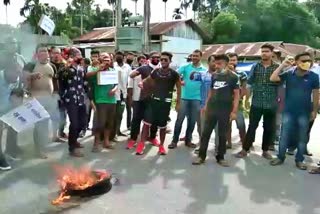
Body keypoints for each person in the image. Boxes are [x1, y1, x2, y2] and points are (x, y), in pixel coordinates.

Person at [269, 52, 319, 170]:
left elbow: (316, 95)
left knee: (302, 137)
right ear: (296, 62)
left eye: (309, 60)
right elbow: (273, 78)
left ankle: (299, 160)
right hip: (289, 111)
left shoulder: (313, 76)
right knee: (284, 135)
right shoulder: (289, 74)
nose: (307, 63)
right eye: (303, 60)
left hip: (305, 112)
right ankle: (280, 157)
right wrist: (282, 65)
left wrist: (314, 111)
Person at [192, 54, 240, 167]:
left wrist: (234, 111)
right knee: (205, 133)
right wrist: (206, 106)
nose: (216, 65)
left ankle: (221, 157)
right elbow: (211, 91)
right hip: (212, 109)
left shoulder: (233, 77)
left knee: (222, 134)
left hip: (225, 109)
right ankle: (201, 156)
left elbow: (237, 95)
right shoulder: (214, 75)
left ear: (226, 64)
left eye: (219, 63)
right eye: (215, 63)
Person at [236, 44, 280, 160]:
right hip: (256, 102)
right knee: (252, 126)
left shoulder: (277, 67)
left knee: (268, 127)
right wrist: (246, 99)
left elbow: (281, 85)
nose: (264, 53)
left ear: (272, 53)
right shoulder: (256, 66)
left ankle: (265, 151)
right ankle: (245, 149)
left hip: (271, 103)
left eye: (266, 51)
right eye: (262, 51)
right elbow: (250, 83)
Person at [135, 51, 181, 155]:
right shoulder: (156, 71)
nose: (163, 61)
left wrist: (178, 103)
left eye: (166, 60)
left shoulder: (174, 74)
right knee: (146, 124)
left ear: (170, 61)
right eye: (162, 59)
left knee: (162, 126)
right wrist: (142, 82)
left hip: (165, 103)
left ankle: (161, 146)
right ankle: (141, 145)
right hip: (153, 101)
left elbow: (179, 89)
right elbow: (148, 79)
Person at [23, 45, 59, 159]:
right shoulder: (31, 65)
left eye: (45, 51)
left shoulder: (52, 65)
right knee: (39, 126)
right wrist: (32, 75)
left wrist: (55, 95)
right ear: (37, 53)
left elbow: (54, 81)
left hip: (49, 99)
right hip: (36, 99)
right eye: (41, 51)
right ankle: (38, 149)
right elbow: (22, 77)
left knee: (45, 125)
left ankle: (42, 147)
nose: (44, 53)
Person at [169, 49, 206, 149]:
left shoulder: (204, 70)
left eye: (196, 56)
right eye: (193, 56)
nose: (194, 57)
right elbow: (174, 75)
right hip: (184, 98)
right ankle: (174, 141)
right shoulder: (185, 67)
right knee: (179, 120)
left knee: (192, 121)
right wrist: (180, 81)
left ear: (200, 57)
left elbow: (205, 85)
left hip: (197, 99)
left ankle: (188, 141)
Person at [127, 51, 161, 150]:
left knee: (154, 120)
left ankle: (152, 137)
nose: (156, 59)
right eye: (154, 57)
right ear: (149, 58)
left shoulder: (162, 69)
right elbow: (132, 75)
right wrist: (137, 74)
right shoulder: (144, 68)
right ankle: (133, 139)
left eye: (158, 57)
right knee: (136, 119)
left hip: (157, 99)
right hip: (142, 98)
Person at [87, 53, 117, 152]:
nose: (106, 61)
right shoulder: (95, 70)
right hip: (100, 100)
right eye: (104, 59)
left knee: (109, 123)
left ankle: (106, 141)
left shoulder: (113, 71)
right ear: (100, 60)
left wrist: (114, 90)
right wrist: (98, 69)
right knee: (100, 123)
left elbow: (116, 84)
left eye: (108, 59)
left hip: (112, 101)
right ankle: (96, 143)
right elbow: (87, 76)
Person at [59, 48, 86, 157]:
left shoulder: (81, 68)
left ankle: (74, 140)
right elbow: (60, 77)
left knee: (83, 123)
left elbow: (84, 82)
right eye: (78, 55)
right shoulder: (65, 67)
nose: (80, 57)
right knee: (74, 123)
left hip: (80, 98)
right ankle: (72, 147)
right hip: (70, 99)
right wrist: (66, 66)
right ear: (72, 56)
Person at [191, 55, 215, 154]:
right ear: (208, 63)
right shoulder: (203, 74)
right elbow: (193, 77)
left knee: (219, 130)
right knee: (202, 127)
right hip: (204, 106)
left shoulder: (223, 75)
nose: (215, 64)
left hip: (219, 107)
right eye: (213, 61)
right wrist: (193, 72)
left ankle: (218, 149)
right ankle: (202, 146)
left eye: (217, 61)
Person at [0, 62, 22, 170]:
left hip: (8, 110)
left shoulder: (16, 79)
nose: (17, 77)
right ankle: (0, 159)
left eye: (19, 74)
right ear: (8, 71)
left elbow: (15, 92)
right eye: (16, 74)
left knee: (14, 128)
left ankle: (10, 150)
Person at [225, 53, 247, 148]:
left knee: (241, 125)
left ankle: (245, 144)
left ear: (237, 61)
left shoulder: (242, 74)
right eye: (230, 60)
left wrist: (238, 100)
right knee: (227, 125)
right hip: (225, 104)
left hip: (238, 104)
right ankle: (228, 143)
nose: (232, 62)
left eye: (234, 60)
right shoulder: (222, 74)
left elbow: (244, 89)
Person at [112, 51, 132, 139]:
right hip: (114, 93)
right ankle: (113, 133)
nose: (118, 57)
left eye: (120, 56)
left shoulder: (127, 67)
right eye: (117, 56)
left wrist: (128, 92)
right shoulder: (113, 66)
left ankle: (118, 131)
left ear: (124, 57)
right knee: (114, 114)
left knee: (120, 113)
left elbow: (130, 80)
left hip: (123, 93)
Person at [50, 47, 68, 141]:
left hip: (63, 92)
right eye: (54, 53)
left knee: (63, 114)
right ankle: (54, 135)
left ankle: (61, 132)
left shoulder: (64, 65)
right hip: (52, 93)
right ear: (51, 54)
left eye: (58, 53)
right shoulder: (49, 65)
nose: (56, 55)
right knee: (55, 115)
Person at [125, 52, 135, 130]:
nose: (131, 58)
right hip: (122, 90)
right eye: (129, 57)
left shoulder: (133, 67)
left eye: (132, 57)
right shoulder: (124, 66)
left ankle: (129, 125)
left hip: (129, 91)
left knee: (129, 109)